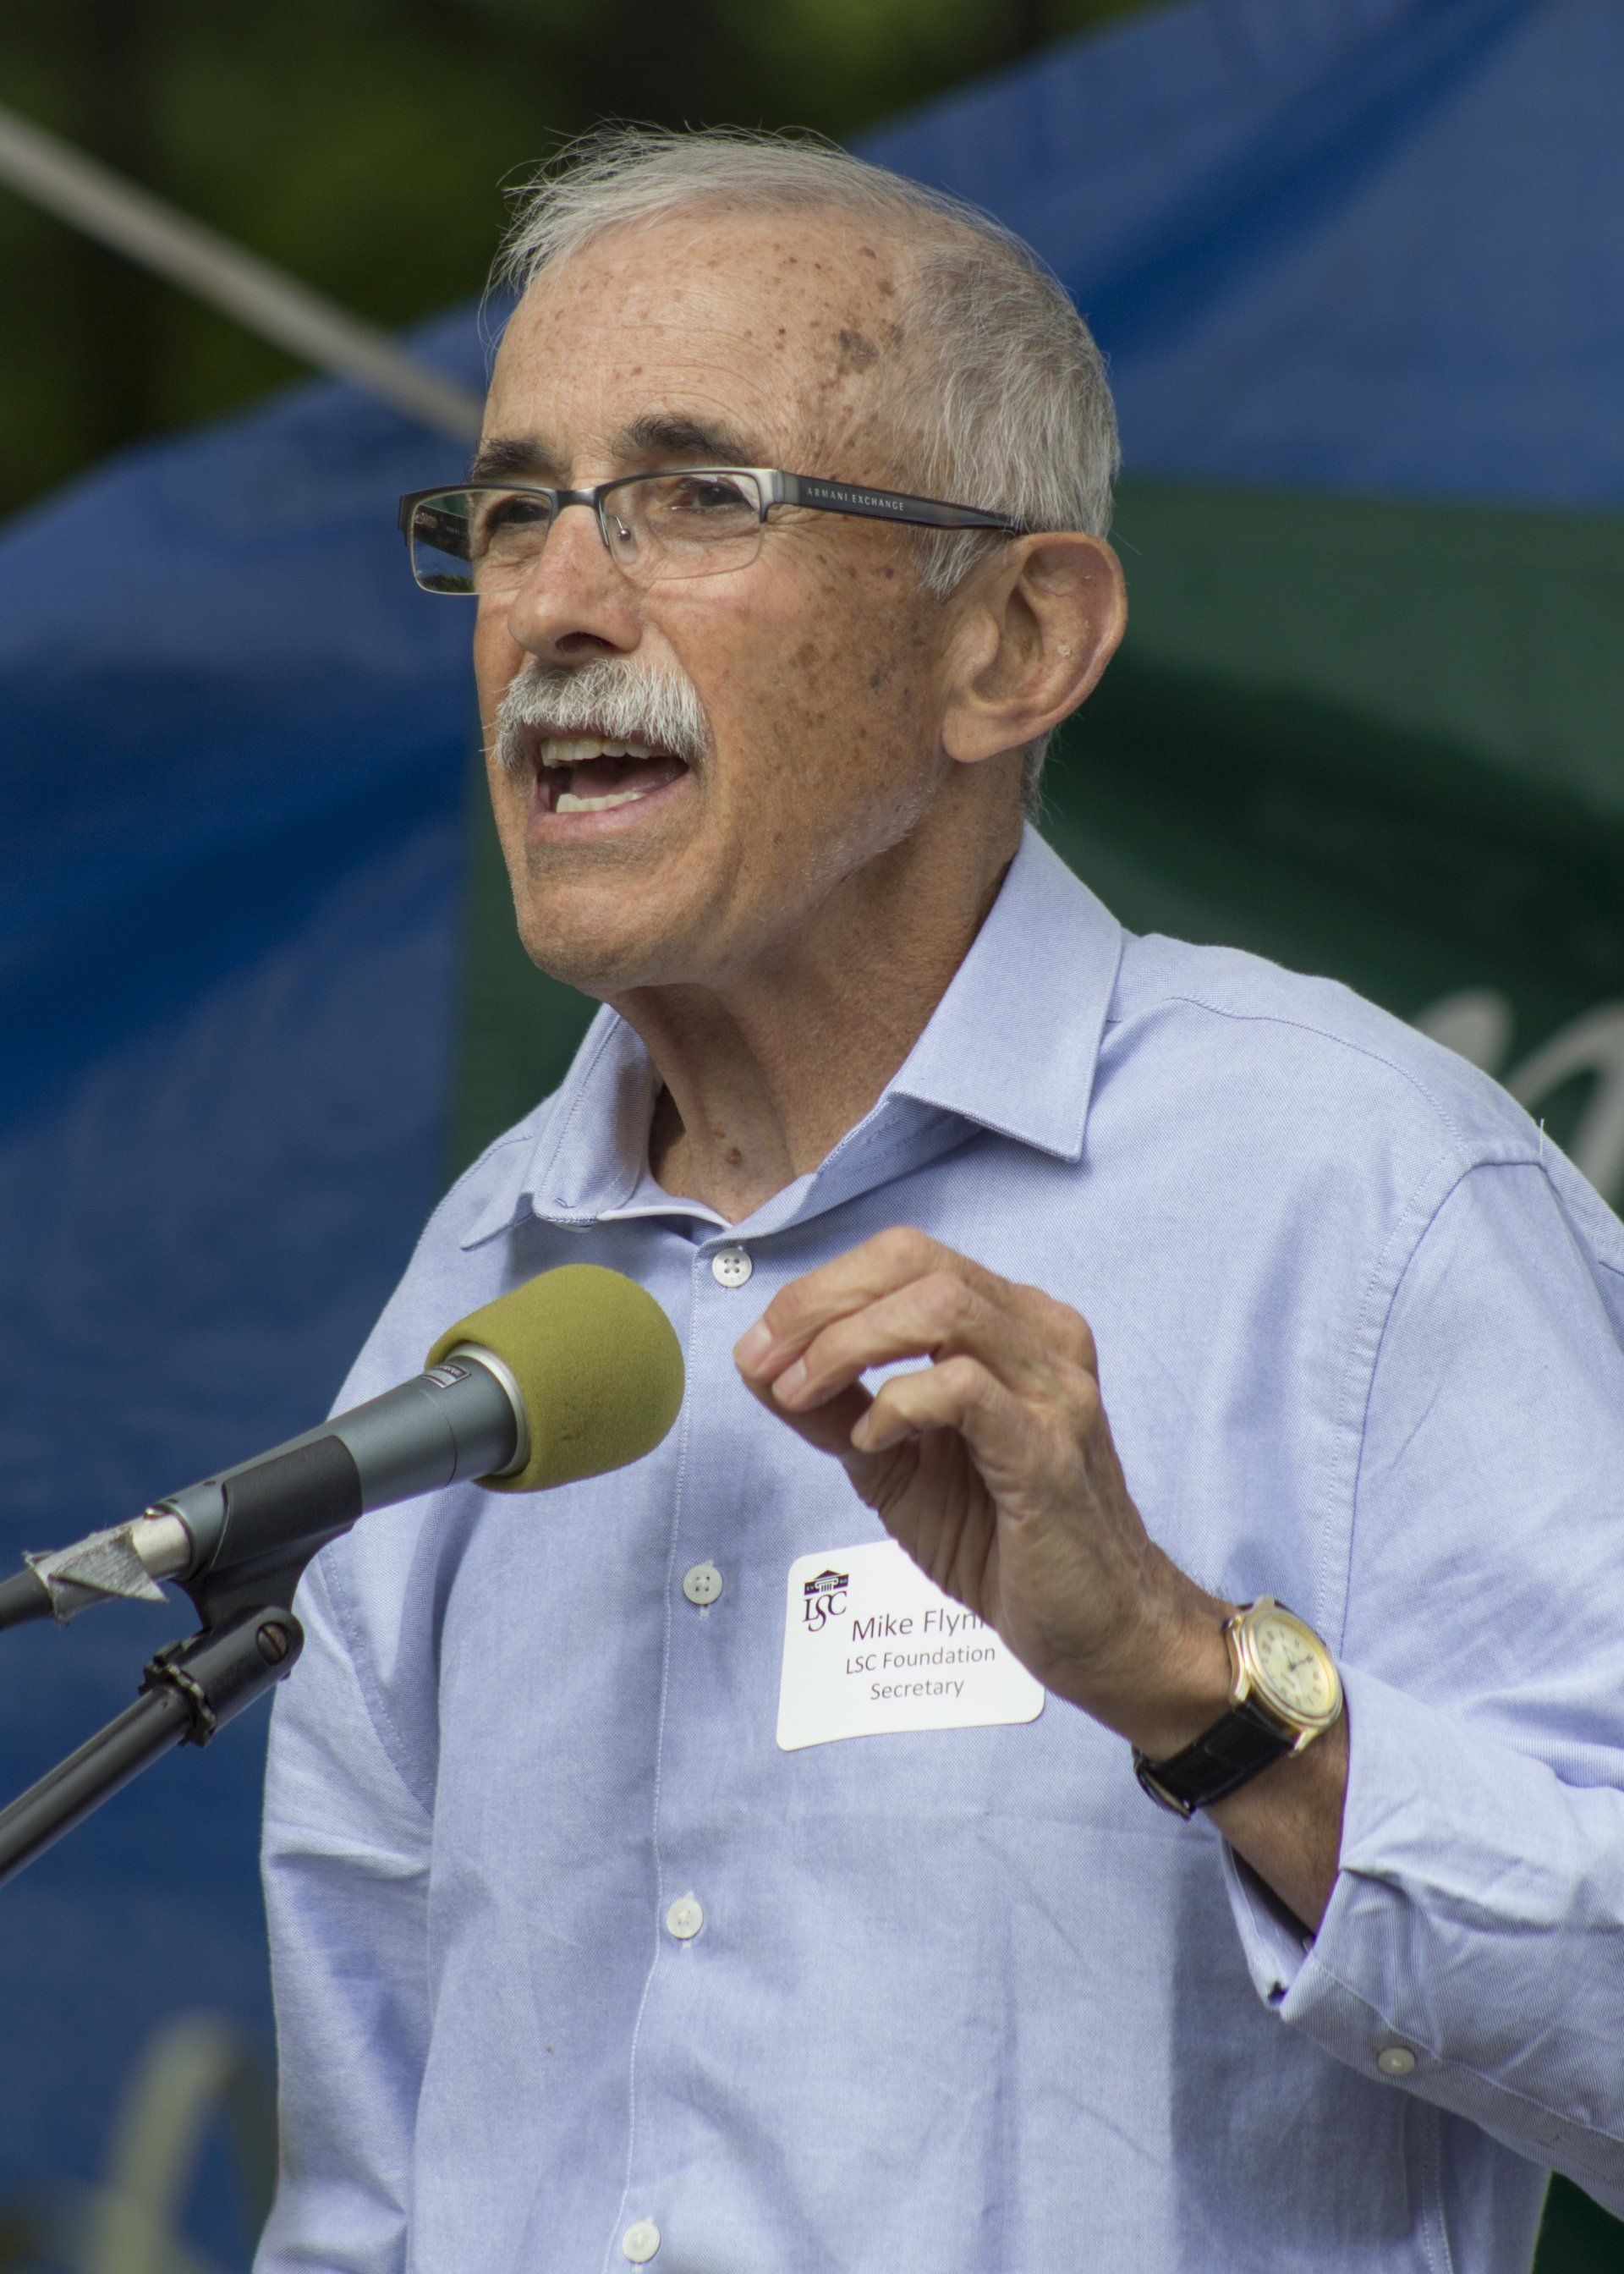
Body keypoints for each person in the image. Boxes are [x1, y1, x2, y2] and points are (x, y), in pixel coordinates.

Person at [255, 128, 1624, 2274]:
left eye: (698, 496)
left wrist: (1193, 1679)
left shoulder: (1367, 1201)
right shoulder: (483, 1292)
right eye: (513, 510)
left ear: (1013, 639)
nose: (555, 608)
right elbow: (367, 2202)